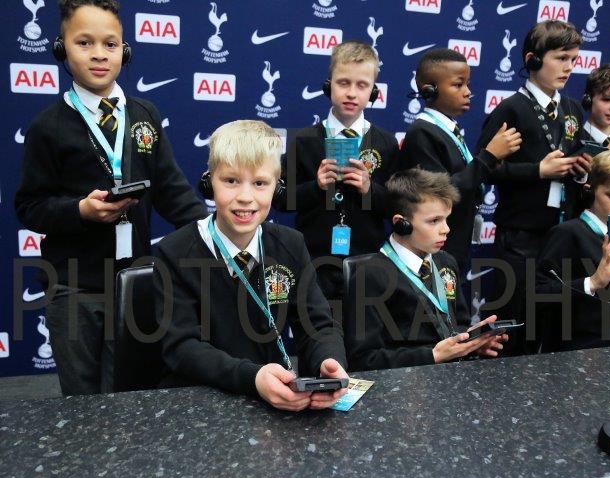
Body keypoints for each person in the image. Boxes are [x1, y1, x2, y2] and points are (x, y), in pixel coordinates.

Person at [14, 0, 207, 395]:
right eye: (84, 43)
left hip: (135, 283)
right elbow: (29, 206)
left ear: (125, 51)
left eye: (111, 44)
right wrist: (79, 210)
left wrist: (213, 234)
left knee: (131, 392)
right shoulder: (47, 127)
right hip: (73, 288)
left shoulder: (144, 114)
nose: (99, 54)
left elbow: (172, 190)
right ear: (60, 49)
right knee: (83, 400)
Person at [154, 120, 348, 411]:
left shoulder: (290, 244)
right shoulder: (174, 252)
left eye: (259, 183)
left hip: (273, 400)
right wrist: (253, 378)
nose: (245, 197)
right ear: (209, 182)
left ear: (276, 188)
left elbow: (318, 323)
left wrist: (329, 361)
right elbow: (182, 348)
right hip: (197, 403)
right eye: (231, 181)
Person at [475, 20, 590, 355]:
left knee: (556, 323)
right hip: (521, 236)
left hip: (562, 235)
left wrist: (581, 172)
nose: (569, 67)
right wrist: (538, 170)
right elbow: (485, 168)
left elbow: (576, 157)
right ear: (533, 59)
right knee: (514, 325)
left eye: (573, 59)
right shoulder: (511, 108)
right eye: (561, 58)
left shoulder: (571, 109)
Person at [344, 169, 507, 371]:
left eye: (446, 219)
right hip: (404, 383)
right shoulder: (370, 275)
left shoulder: (446, 262)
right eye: (434, 221)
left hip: (452, 376)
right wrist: (433, 356)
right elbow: (363, 359)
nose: (446, 229)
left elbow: (458, 325)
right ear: (401, 224)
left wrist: (471, 343)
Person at [276, 40, 399, 308]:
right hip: (314, 261)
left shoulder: (386, 143)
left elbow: (396, 206)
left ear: (374, 91)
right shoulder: (305, 141)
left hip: (367, 262)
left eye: (362, 85)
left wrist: (369, 189)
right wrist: (316, 186)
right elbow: (282, 200)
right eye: (343, 83)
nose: (352, 93)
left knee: (363, 329)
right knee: (316, 328)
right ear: (328, 85)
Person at [399, 48, 521, 270]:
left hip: (455, 244)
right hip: (436, 251)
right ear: (429, 90)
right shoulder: (422, 132)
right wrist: (488, 156)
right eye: (458, 85)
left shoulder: (448, 130)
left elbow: (465, 178)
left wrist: (494, 162)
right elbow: (441, 192)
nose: (468, 92)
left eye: (468, 84)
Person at [536, 149, 610, 351]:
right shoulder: (568, 233)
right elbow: (536, 296)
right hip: (583, 350)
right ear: (590, 189)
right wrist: (592, 282)